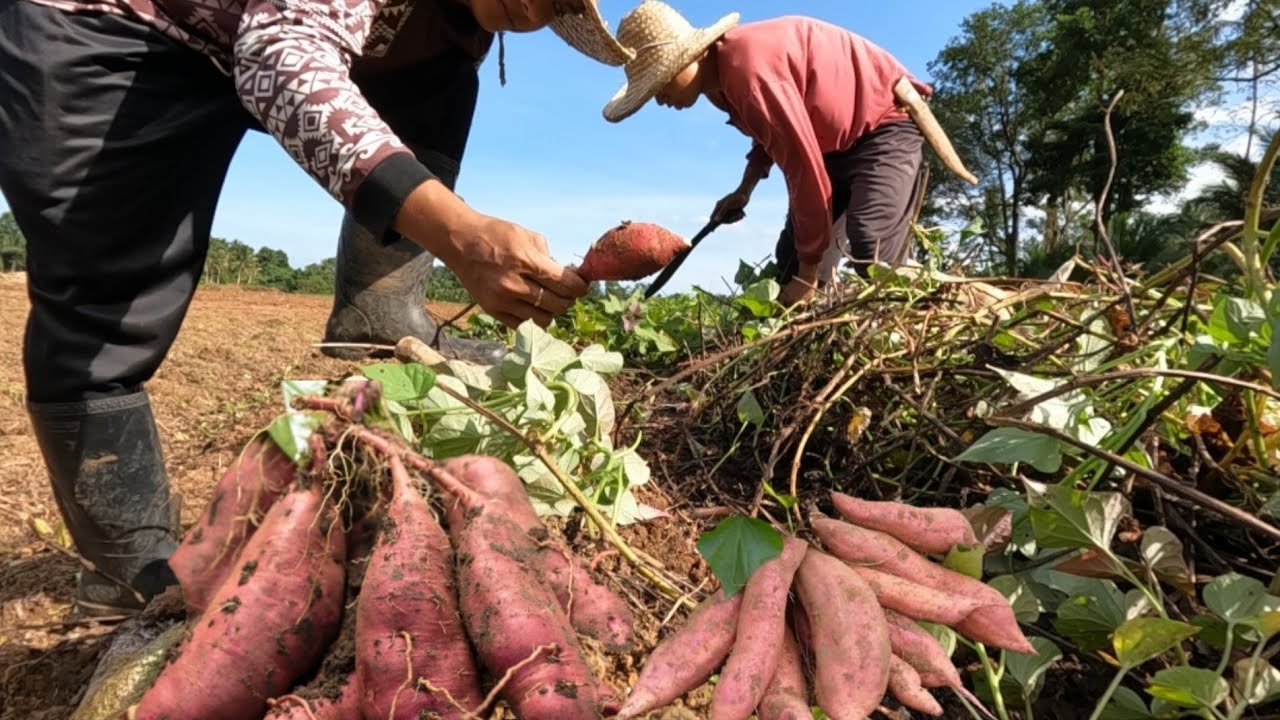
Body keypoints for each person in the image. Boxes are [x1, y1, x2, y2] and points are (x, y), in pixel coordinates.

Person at [0, 0, 633, 615]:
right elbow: (280, 54)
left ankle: (379, 312)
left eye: (561, 7)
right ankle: (125, 567)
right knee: (109, 292)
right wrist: (460, 233)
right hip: (121, 34)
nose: (538, 13)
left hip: (252, 42)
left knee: (442, 72)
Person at [600, 1, 974, 305]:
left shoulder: (748, 72)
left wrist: (808, 276)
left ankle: (963, 304)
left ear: (688, 57)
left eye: (660, 83)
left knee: (872, 248)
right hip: (833, 146)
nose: (660, 99)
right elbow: (770, 133)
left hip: (882, 125)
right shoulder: (719, 84)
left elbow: (803, 170)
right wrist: (744, 189)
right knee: (790, 263)